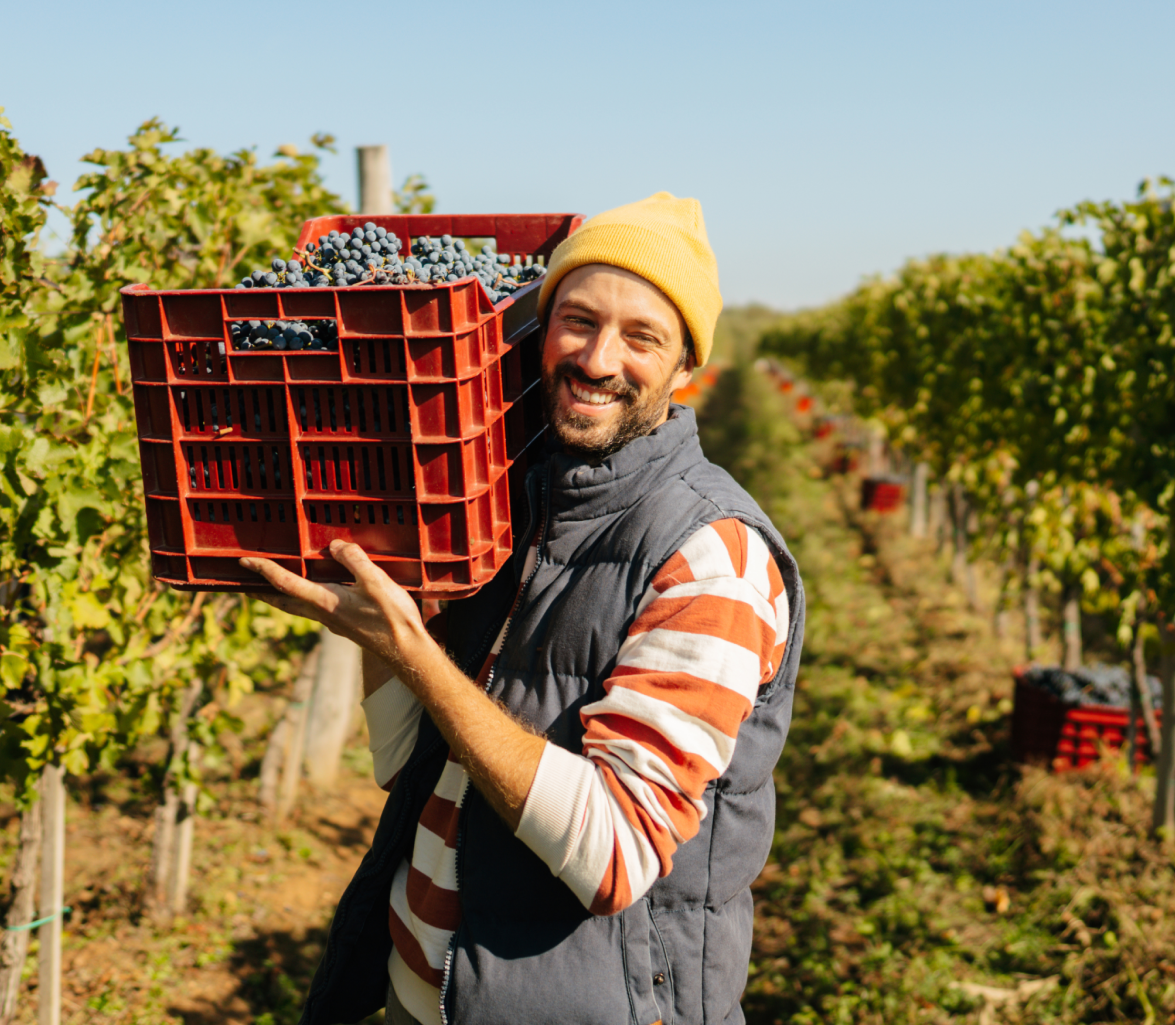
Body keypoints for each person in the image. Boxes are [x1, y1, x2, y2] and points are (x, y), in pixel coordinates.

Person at [246, 192, 806, 1025]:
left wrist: (414, 646)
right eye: (576, 320)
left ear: (689, 368)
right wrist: (378, 604)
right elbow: (414, 764)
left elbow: (614, 852)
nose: (597, 357)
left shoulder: (711, 558)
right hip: (422, 999)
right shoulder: (512, 501)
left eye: (641, 336)